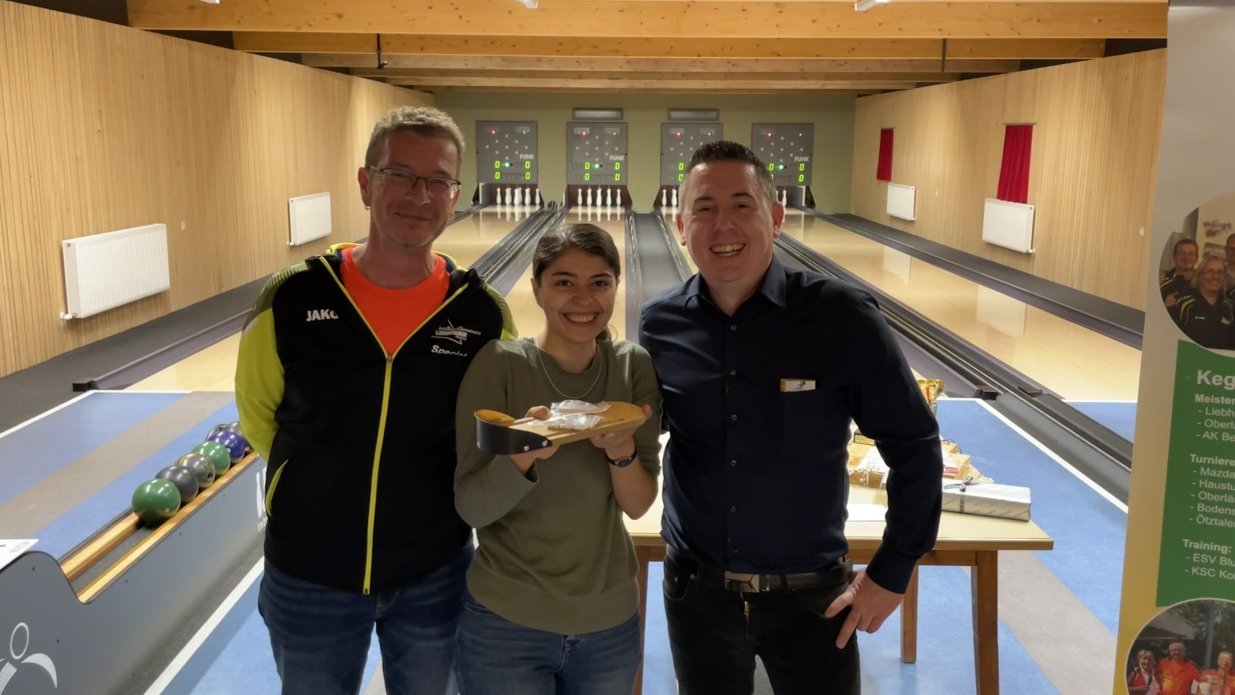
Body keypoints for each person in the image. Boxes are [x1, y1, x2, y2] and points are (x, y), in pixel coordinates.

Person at [639, 140, 942, 695]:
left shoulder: (842, 317)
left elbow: (915, 444)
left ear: (775, 217)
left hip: (813, 597)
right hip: (696, 594)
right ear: (680, 226)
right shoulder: (659, 325)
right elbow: (636, 430)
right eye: (704, 208)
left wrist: (893, 569)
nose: (722, 224)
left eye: (741, 204)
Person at [235, 105, 515, 695]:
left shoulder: (482, 313)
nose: (420, 195)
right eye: (400, 174)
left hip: (435, 570)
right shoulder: (292, 298)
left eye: (438, 180)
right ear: (366, 183)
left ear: (455, 195)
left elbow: (496, 428)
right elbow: (259, 417)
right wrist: (312, 486)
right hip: (308, 572)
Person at [453, 223, 662, 695]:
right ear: (537, 289)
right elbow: (472, 507)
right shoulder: (500, 364)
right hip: (505, 625)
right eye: (564, 281)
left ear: (616, 286)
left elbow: (637, 505)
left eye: (600, 282)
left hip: (608, 624)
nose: (583, 299)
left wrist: (622, 451)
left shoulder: (632, 366)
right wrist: (525, 451)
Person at [1173, 255, 1235, 349]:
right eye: (1210, 271)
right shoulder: (1183, 304)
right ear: (1199, 276)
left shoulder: (1230, 307)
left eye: (1220, 272)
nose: (1215, 276)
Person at [1160, 238, 1198, 309]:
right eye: (1182, 253)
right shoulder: (1161, 281)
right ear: (1174, 257)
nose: (1187, 256)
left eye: (1191, 254)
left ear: (1197, 258)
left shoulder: (1204, 282)